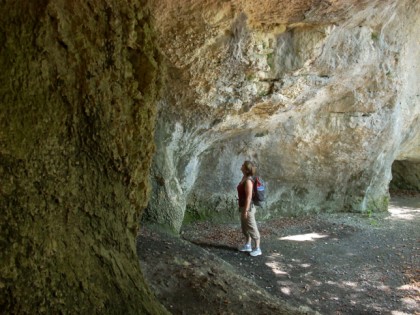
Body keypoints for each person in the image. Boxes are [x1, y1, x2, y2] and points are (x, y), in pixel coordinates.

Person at [237, 160, 262, 256]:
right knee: (245, 227)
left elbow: (248, 197)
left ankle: (257, 248)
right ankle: (248, 245)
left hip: (248, 208)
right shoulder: (244, 177)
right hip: (243, 206)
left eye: (243, 165)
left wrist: (246, 211)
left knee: (252, 227)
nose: (241, 165)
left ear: (246, 169)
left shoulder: (248, 181)